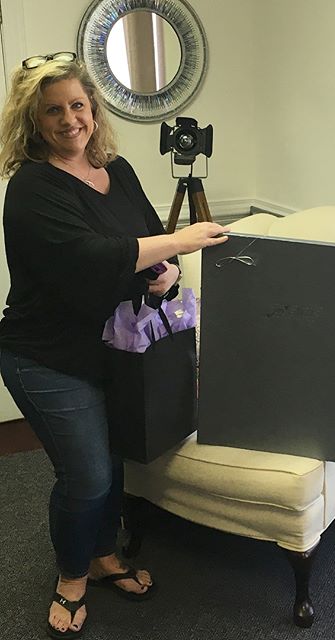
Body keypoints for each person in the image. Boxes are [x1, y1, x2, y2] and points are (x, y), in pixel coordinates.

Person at [0, 53, 229, 639]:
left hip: (115, 348)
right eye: (53, 111)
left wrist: (166, 270)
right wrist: (179, 242)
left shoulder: (117, 170)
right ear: (33, 121)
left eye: (78, 105)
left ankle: (103, 556)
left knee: (113, 462)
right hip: (47, 356)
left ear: (94, 110)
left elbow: (147, 236)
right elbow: (91, 258)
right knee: (87, 476)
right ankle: (71, 577)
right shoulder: (31, 187)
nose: (69, 120)